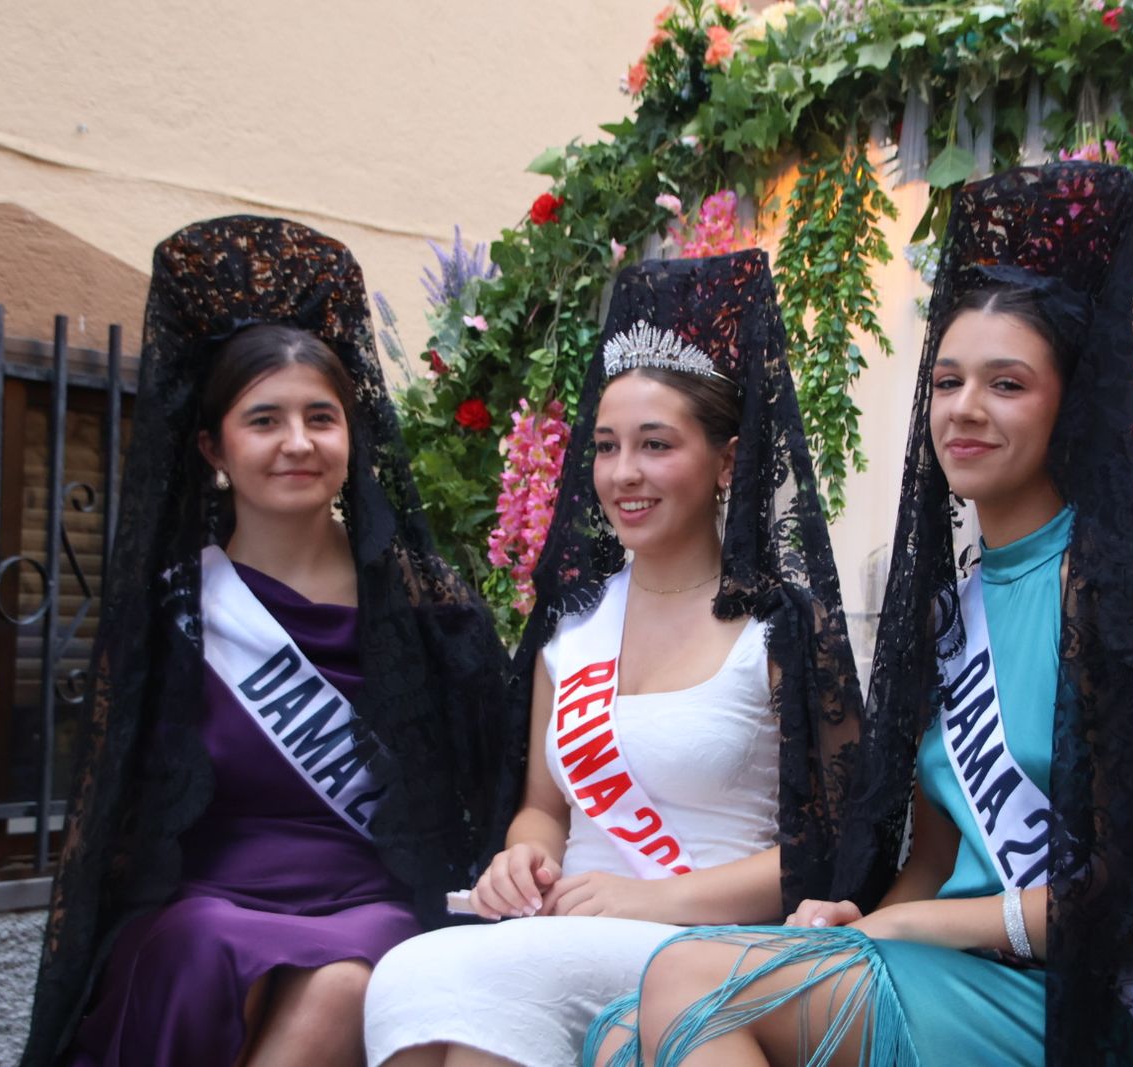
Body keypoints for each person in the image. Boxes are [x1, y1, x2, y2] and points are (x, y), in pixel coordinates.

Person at [587, 163, 1133, 1066]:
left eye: (1007, 385)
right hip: (957, 971)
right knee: (622, 1032)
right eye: (948, 381)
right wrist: (864, 923)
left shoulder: (1118, 598)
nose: (965, 409)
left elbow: (1131, 900)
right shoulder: (948, 610)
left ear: (1070, 405)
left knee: (691, 981)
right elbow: (933, 856)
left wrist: (915, 926)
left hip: (1086, 999)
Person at [362, 250, 896, 1067]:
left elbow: (833, 843)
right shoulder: (570, 627)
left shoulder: (783, 629)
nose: (623, 473)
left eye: (655, 444)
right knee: (422, 988)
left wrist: (649, 897)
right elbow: (544, 808)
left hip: (705, 944)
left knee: (461, 979)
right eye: (607, 446)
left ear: (727, 461)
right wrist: (524, 858)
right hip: (568, 933)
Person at [21, 216, 509, 1067]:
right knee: (203, 944)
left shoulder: (425, 611)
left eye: (322, 417)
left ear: (352, 435)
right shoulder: (176, 609)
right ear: (213, 445)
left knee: (353, 980)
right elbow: (119, 815)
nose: (298, 443)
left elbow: (499, 779)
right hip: (207, 900)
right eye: (264, 420)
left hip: (374, 897)